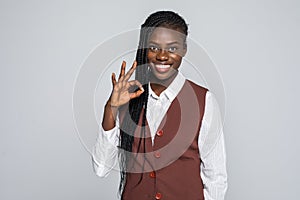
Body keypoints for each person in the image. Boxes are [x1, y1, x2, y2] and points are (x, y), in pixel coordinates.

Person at [92, 10, 227, 200]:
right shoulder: (128, 99)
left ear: (184, 49)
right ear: (145, 49)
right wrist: (111, 109)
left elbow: (216, 178)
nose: (162, 56)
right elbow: (101, 168)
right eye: (154, 48)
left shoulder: (204, 101)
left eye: (172, 49)